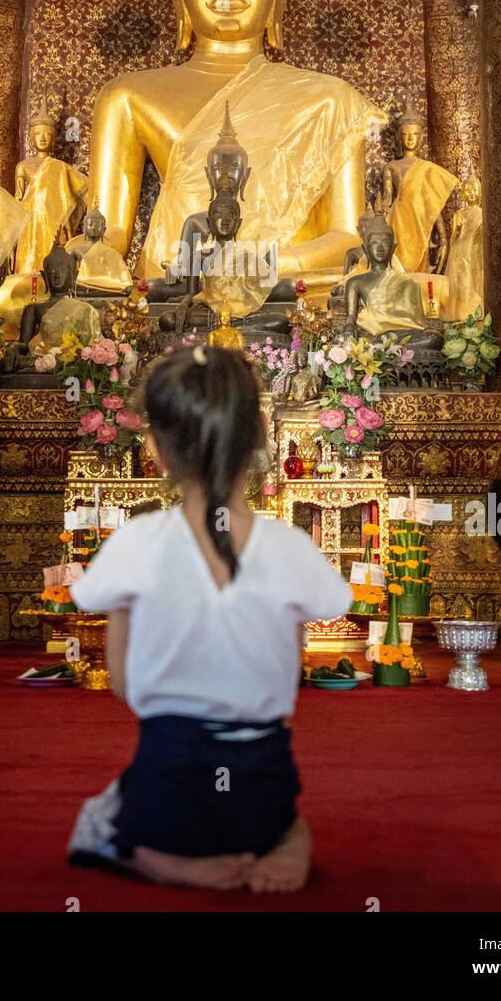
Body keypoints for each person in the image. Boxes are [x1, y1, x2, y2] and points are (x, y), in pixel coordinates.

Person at [67, 345, 352, 892]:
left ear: (154, 447)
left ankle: (155, 854)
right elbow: (290, 673)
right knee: (279, 813)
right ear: (263, 435)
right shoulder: (291, 546)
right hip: (262, 784)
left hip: (169, 784)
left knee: (101, 816)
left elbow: (123, 684)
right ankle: (286, 842)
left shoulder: (138, 542)